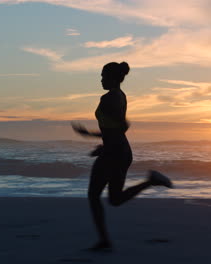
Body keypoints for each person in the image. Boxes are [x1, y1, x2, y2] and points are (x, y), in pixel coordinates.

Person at [72, 61, 173, 251]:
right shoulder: (120, 96)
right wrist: (103, 143)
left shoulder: (109, 98)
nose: (101, 79)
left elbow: (120, 127)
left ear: (112, 77)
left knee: (94, 196)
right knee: (115, 199)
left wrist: (91, 137)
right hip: (119, 151)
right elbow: (117, 128)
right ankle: (151, 181)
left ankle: (104, 241)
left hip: (114, 152)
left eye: (103, 75)